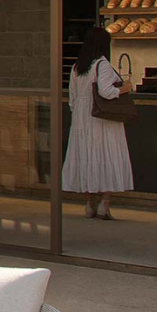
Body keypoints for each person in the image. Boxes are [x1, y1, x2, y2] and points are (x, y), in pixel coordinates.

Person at [60, 25, 134, 220]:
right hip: (102, 119)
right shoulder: (103, 64)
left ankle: (89, 204)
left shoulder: (77, 66)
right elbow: (106, 92)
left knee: (86, 157)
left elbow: (72, 98)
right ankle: (104, 204)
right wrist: (125, 88)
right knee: (106, 157)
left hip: (82, 119)